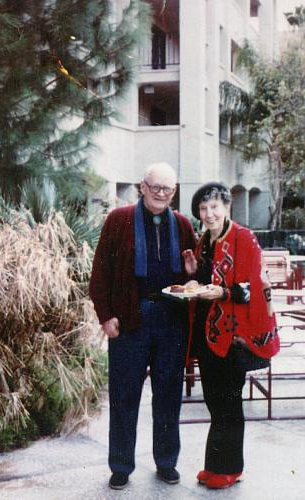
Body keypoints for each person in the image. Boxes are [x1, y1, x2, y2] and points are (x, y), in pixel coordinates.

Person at [89, 163, 196, 490]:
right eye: (155, 187)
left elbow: (194, 279)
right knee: (124, 395)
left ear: (174, 193)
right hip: (130, 320)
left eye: (167, 189)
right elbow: (100, 273)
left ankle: (166, 462)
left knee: (168, 395)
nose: (161, 193)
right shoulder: (118, 220)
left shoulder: (182, 224)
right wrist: (106, 315)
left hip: (171, 321)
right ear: (142, 187)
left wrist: (193, 271)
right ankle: (121, 465)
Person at [183, 182, 280, 490]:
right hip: (209, 333)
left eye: (214, 207)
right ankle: (214, 465)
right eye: (203, 208)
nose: (208, 214)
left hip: (234, 335)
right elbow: (203, 284)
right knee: (214, 400)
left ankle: (230, 468)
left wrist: (223, 291)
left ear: (226, 207)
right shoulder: (204, 242)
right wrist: (193, 271)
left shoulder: (243, 237)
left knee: (229, 402)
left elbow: (254, 287)